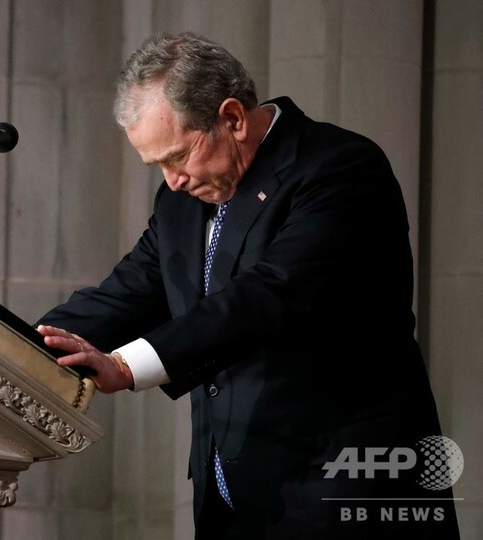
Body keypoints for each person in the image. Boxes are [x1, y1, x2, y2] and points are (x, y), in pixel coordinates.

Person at [36, 32, 460, 539]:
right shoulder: (179, 201)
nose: (172, 180)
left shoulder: (339, 166)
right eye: (158, 166)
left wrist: (126, 366)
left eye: (178, 156)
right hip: (232, 500)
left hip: (341, 489)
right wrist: (13, 345)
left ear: (233, 118)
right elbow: (126, 292)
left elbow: (270, 295)